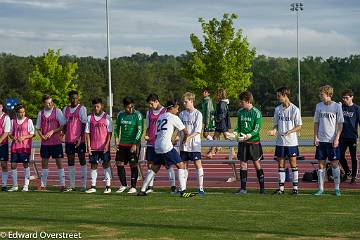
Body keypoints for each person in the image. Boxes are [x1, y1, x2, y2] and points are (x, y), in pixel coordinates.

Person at [138, 99, 195, 198]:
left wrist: (170, 139)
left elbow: (159, 133)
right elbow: (185, 131)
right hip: (166, 146)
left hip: (157, 145)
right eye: (177, 108)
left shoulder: (161, 117)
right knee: (181, 165)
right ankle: (183, 191)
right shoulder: (174, 117)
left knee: (154, 168)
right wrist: (185, 139)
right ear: (172, 108)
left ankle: (142, 190)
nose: (177, 110)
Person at [268, 87, 302, 195]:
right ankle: (281, 189)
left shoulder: (295, 109)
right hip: (280, 142)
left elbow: (299, 126)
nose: (278, 98)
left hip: (291, 142)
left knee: (293, 164)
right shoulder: (278, 109)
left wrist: (290, 131)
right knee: (281, 164)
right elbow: (276, 124)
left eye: (279, 96)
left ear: (285, 95)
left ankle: (295, 188)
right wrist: (274, 130)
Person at [314, 85, 344, 196]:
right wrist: (315, 136)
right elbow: (316, 122)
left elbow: (340, 124)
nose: (320, 96)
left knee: (334, 164)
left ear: (328, 94)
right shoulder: (318, 106)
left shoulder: (337, 106)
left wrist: (337, 138)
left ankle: (337, 188)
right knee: (320, 165)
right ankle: (321, 189)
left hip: (332, 141)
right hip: (321, 141)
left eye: (322, 94)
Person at [144, 93, 176, 194]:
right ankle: (150, 187)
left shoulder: (165, 111)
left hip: (162, 143)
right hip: (151, 143)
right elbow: (148, 127)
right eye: (149, 104)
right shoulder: (149, 112)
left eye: (151, 103)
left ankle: (173, 187)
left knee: (168, 165)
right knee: (150, 165)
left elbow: (173, 125)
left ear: (157, 101)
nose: (150, 105)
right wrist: (146, 135)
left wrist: (172, 138)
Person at [235, 91, 265, 194]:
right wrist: (234, 133)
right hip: (243, 143)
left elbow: (257, 128)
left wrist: (249, 135)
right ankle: (243, 189)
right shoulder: (240, 112)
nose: (240, 103)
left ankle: (262, 188)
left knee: (257, 163)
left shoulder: (256, 112)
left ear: (248, 101)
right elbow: (238, 127)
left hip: (253, 143)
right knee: (243, 164)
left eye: (242, 101)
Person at [36, 94, 66, 191]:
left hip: (56, 142)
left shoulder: (57, 111)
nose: (50, 104)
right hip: (45, 143)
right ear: (43, 103)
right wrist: (42, 136)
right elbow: (38, 128)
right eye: (47, 103)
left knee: (59, 163)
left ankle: (62, 185)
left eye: (51, 102)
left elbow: (62, 126)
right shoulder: (41, 113)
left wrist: (53, 131)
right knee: (44, 164)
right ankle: (43, 185)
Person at [114, 97, 144, 194]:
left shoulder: (137, 115)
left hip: (133, 144)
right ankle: (123, 185)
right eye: (128, 107)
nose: (130, 109)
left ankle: (133, 186)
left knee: (133, 164)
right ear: (124, 107)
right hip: (122, 144)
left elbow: (140, 130)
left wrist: (135, 144)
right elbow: (116, 128)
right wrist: (116, 138)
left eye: (132, 107)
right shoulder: (120, 115)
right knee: (119, 163)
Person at [179, 92, 205, 196]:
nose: (184, 103)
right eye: (183, 102)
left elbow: (198, 130)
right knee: (184, 165)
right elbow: (180, 128)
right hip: (183, 144)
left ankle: (201, 188)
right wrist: (177, 137)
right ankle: (183, 188)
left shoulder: (198, 114)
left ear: (191, 101)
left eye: (186, 101)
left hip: (194, 144)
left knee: (197, 164)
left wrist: (188, 138)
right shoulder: (181, 114)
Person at [85, 97, 112, 194]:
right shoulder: (89, 117)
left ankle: (108, 186)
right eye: (94, 107)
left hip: (104, 147)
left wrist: (107, 145)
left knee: (106, 165)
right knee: (93, 165)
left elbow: (109, 133)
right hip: (93, 147)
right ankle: (93, 186)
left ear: (102, 106)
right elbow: (87, 133)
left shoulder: (107, 117)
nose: (96, 108)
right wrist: (88, 146)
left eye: (98, 106)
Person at [63, 90, 88, 192]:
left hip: (79, 140)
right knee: (70, 161)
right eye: (72, 98)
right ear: (69, 99)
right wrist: (62, 133)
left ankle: (84, 185)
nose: (74, 100)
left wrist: (80, 138)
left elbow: (84, 124)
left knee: (82, 160)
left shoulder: (82, 109)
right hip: (69, 140)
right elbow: (65, 124)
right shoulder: (66, 109)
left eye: (76, 98)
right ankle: (72, 185)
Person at [8, 104, 35, 192]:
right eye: (20, 112)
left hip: (25, 147)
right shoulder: (13, 121)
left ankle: (26, 185)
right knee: (13, 165)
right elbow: (10, 133)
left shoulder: (29, 120)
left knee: (25, 165)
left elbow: (32, 134)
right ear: (17, 113)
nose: (22, 114)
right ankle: (15, 186)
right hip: (15, 147)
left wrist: (24, 137)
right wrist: (13, 137)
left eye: (23, 112)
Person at [339, 89, 360, 184]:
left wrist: (357, 137)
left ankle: (354, 176)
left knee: (353, 157)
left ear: (352, 97)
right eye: (343, 98)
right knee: (339, 155)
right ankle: (347, 171)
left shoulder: (356, 108)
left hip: (352, 137)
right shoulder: (341, 107)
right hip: (342, 136)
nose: (344, 99)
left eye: (346, 98)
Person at [208, 88, 234, 158]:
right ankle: (211, 152)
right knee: (215, 137)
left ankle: (233, 153)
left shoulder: (222, 103)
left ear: (220, 94)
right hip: (221, 122)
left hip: (222, 123)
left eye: (217, 94)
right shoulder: (221, 102)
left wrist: (216, 118)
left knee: (226, 137)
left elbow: (222, 114)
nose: (216, 95)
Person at [0, 100, 11, 192]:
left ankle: (4, 185)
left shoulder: (6, 117)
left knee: (3, 164)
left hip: (2, 144)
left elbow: (6, 132)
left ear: (2, 107)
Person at [201, 88, 215, 157]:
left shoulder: (208, 101)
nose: (204, 93)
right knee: (206, 134)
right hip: (207, 119)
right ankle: (212, 150)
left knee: (205, 134)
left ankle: (213, 148)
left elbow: (208, 112)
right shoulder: (204, 100)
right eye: (203, 92)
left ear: (208, 94)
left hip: (209, 120)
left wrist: (206, 122)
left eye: (205, 92)